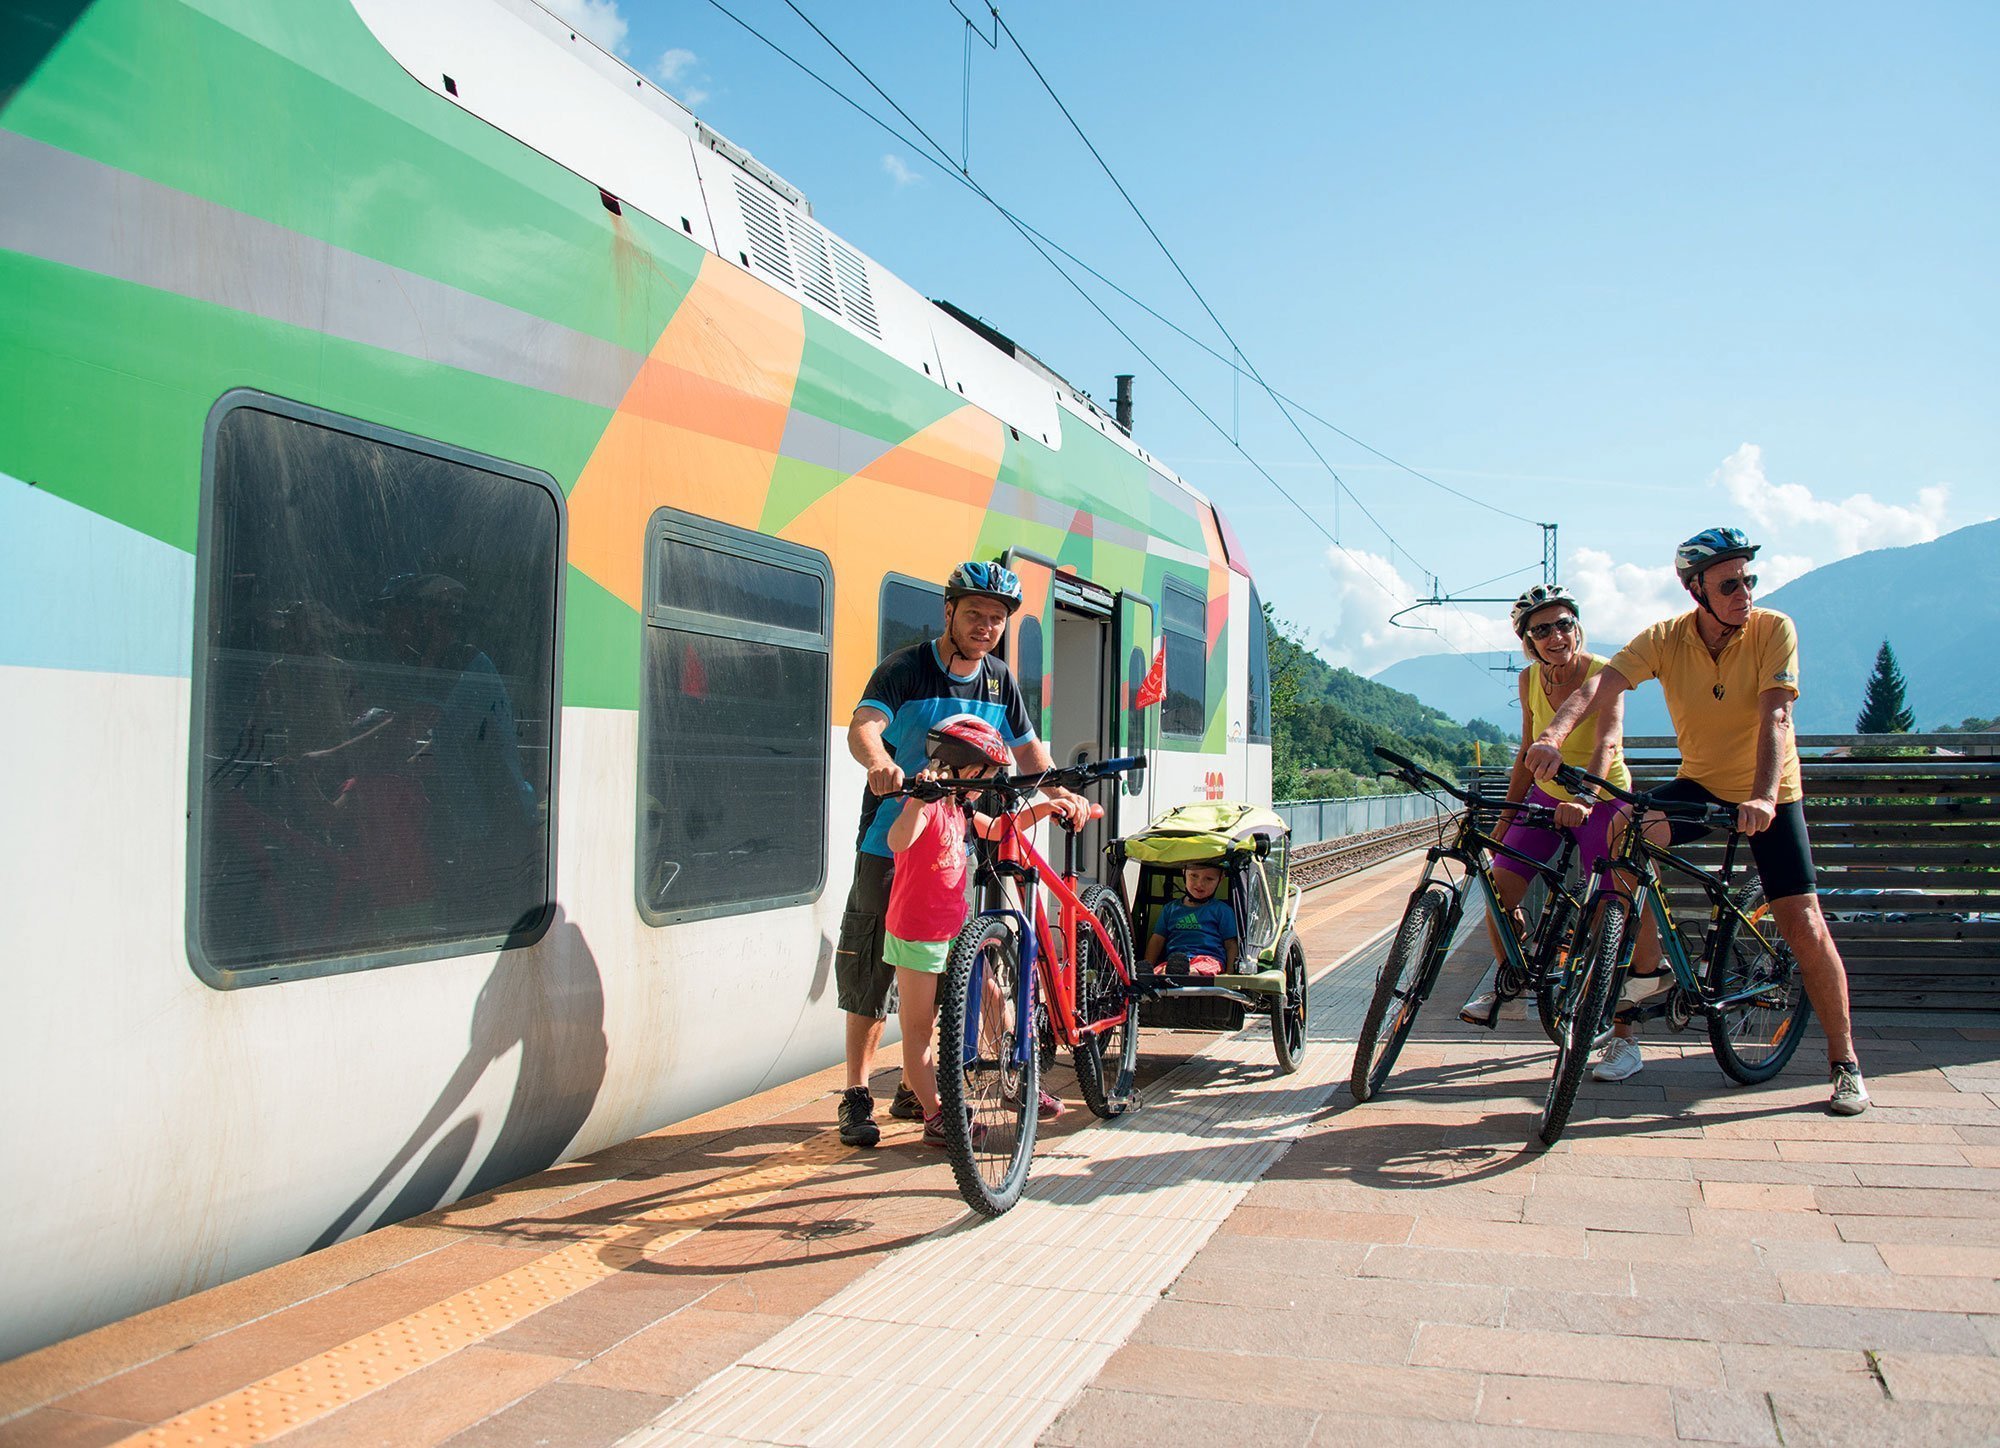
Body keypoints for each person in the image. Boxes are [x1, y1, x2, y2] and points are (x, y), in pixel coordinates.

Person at [1525, 528, 1868, 1113]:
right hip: (1702, 782)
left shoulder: (1772, 629)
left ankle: (1846, 1064)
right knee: (1623, 832)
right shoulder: (1667, 639)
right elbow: (1599, 685)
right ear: (1695, 590)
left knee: (1802, 920)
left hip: (1771, 793)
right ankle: (1640, 971)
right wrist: (1553, 736)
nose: (1745, 592)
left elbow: (1776, 716)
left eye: (1749, 580)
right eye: (1730, 583)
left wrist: (1761, 798)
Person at [836, 561, 1089, 1148]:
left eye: (997, 618)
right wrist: (879, 763)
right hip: (890, 843)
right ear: (948, 611)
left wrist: (1058, 793)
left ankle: (922, 1085)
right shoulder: (905, 667)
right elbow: (865, 725)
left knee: (960, 968)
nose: (986, 626)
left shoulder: (999, 679)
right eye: (974, 613)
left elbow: (1030, 755)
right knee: (871, 969)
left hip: (955, 847)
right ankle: (856, 1094)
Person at [1459, 585, 1633, 1027]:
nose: (1556, 636)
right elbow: (1525, 749)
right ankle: (1511, 986)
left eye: (1564, 624)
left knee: (1609, 908)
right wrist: (1505, 816)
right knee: (1499, 890)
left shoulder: (1604, 671)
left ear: (1577, 626)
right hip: (1545, 796)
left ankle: (1618, 1025)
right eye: (1542, 630)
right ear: (1528, 640)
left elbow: (1607, 741)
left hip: (1603, 799)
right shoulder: (1529, 679)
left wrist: (1586, 798)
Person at [886, 715, 1063, 1146]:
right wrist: (917, 800)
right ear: (963, 766)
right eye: (984, 775)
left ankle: (1014, 1082)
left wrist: (1046, 806)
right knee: (918, 1028)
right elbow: (897, 841)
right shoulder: (928, 805)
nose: (986, 785)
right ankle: (935, 1113)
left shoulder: (960, 807)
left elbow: (1001, 829)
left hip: (957, 931)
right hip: (917, 934)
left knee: (994, 996)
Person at [1143, 863, 1240, 977]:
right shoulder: (1170, 909)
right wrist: (1148, 966)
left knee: (1196, 970)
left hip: (1208, 959)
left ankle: (1184, 974)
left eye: (1209, 879)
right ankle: (1175, 973)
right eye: (1194, 876)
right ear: (1184, 872)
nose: (1200, 884)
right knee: (1160, 971)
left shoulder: (1222, 910)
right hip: (1174, 961)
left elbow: (1231, 944)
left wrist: (1229, 973)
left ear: (1220, 879)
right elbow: (1157, 940)